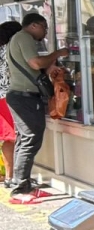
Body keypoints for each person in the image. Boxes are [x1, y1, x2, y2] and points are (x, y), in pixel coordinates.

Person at [5, 13, 68, 196]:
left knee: (25, 138)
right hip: (24, 97)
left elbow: (32, 66)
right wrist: (57, 53)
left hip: (20, 96)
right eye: (44, 27)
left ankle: (20, 181)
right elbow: (34, 63)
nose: (45, 32)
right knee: (30, 138)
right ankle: (20, 187)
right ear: (33, 25)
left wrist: (48, 68)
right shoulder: (24, 37)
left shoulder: (17, 39)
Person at [0, 21, 22, 187]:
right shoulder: (9, 51)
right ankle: (10, 176)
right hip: (7, 97)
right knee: (12, 138)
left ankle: (9, 175)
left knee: (8, 138)